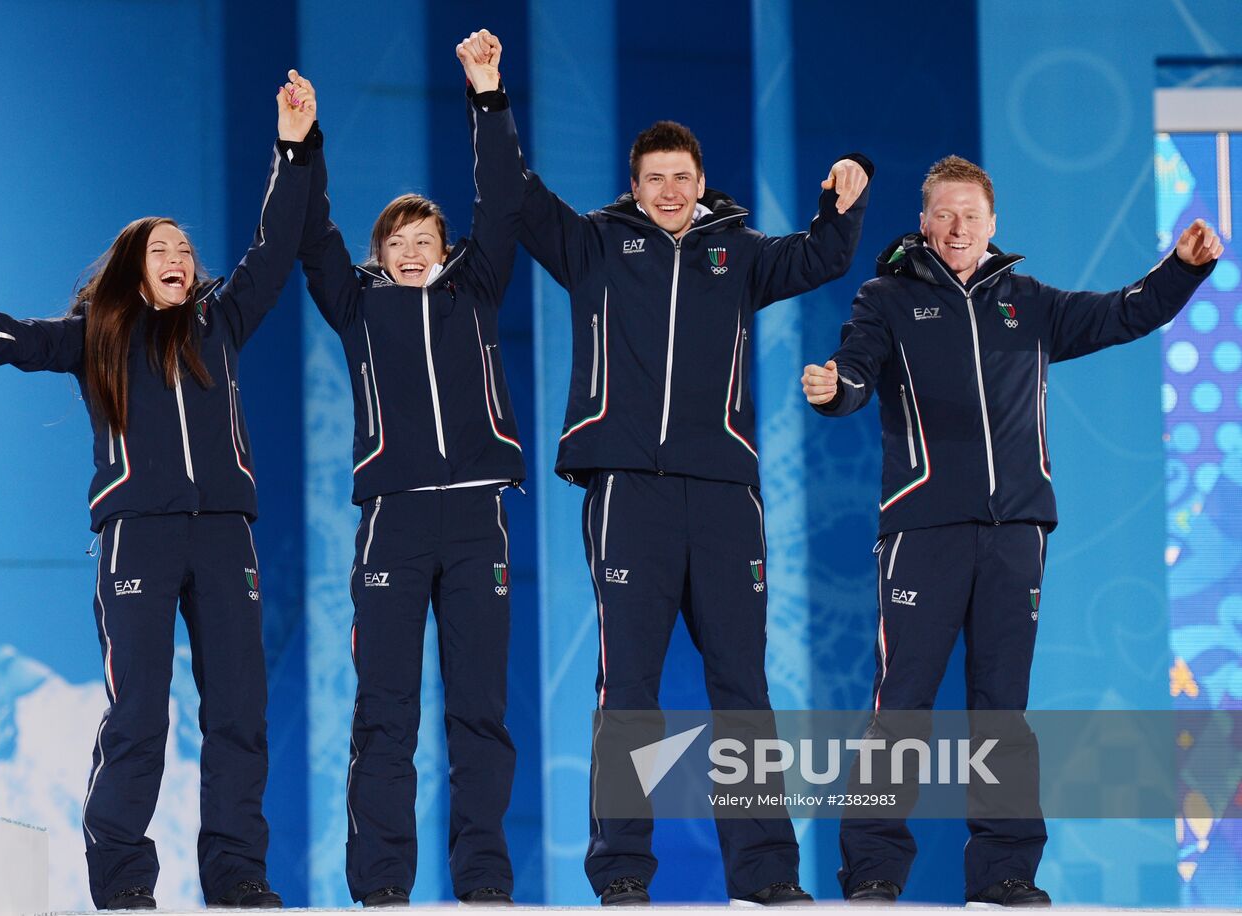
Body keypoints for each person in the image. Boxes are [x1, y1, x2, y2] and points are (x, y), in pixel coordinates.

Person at [0, 71, 320, 912]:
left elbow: (275, 242)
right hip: (138, 539)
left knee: (239, 714)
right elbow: (15, 338)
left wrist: (293, 145)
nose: (180, 259)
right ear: (131, 269)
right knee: (138, 716)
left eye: (186, 250)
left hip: (226, 535)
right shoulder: (98, 335)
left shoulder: (222, 323)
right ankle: (123, 887)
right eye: (161, 250)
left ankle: (237, 879)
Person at [801, 155, 1222, 907]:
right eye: (944, 215)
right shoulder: (887, 298)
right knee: (900, 706)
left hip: (1016, 532)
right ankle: (871, 872)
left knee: (1001, 710)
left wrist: (1182, 270)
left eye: (971, 216)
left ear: (993, 225)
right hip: (923, 528)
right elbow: (856, 374)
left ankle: (1004, 875)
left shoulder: (1030, 303)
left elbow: (1124, 311)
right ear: (925, 222)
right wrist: (835, 391)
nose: (957, 228)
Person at [517, 108, 873, 904]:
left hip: (722, 494)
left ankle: (768, 875)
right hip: (625, 493)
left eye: (683, 177)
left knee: (742, 685)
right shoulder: (593, 246)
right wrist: (488, 98)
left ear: (702, 182)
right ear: (634, 188)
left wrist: (847, 186)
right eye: (656, 179)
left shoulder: (739, 253)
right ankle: (620, 876)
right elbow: (517, 194)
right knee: (629, 688)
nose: (671, 190)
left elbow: (822, 255)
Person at [297, 29, 527, 908]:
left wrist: (487, 91)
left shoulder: (477, 289)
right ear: (379, 253)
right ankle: (382, 888)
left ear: (445, 248)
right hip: (391, 518)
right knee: (385, 716)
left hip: (477, 520)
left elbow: (501, 200)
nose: (412, 248)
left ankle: (483, 887)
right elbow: (312, 236)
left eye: (426, 235)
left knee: (481, 716)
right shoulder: (356, 307)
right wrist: (303, 142)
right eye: (397, 239)